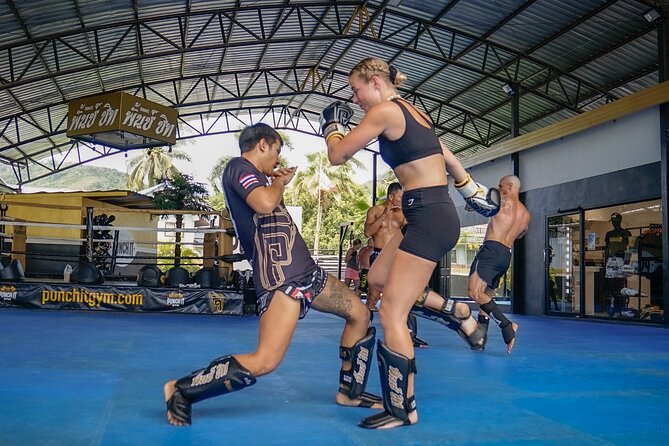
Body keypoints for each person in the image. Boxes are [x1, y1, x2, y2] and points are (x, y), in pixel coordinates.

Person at [321, 57, 500, 429]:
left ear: (373, 81)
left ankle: (404, 408)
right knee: (379, 280)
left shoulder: (386, 110)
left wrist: (332, 128)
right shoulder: (414, 111)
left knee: (391, 313)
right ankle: (457, 313)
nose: (355, 99)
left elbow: (337, 156)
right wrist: (467, 184)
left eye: (356, 90)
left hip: (429, 216)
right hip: (424, 213)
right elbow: (442, 152)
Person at [163, 123, 381, 426]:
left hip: (307, 273)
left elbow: (267, 200)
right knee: (266, 360)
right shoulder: (238, 167)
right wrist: (278, 184)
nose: (276, 160)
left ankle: (350, 391)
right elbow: (265, 204)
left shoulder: (263, 181)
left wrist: (276, 182)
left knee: (360, 314)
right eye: (276, 150)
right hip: (281, 279)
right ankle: (181, 389)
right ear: (263, 144)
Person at [467, 175, 529, 354]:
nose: (498, 187)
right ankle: (480, 338)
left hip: (491, 250)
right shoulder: (526, 214)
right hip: (505, 255)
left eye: (501, 185)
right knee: (486, 294)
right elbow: (520, 235)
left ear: (509, 186)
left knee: (474, 292)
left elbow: (473, 203)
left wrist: (471, 202)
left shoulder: (502, 199)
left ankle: (507, 325)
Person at [363, 182, 406, 312]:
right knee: (374, 296)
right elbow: (367, 233)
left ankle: (403, 326)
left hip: (396, 254)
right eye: (400, 198)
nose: (402, 201)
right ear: (391, 197)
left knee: (400, 292)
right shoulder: (374, 211)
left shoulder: (403, 213)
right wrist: (384, 215)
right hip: (378, 254)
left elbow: (409, 233)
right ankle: (364, 326)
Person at [604, 212, 632, 316]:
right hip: (611, 260)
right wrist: (605, 261)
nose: (614, 223)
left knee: (621, 284)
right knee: (611, 285)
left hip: (621, 260)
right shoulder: (609, 234)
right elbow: (607, 249)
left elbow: (629, 249)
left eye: (616, 220)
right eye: (613, 221)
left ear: (620, 220)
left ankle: (622, 308)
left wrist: (627, 262)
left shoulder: (626, 233)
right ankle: (612, 306)